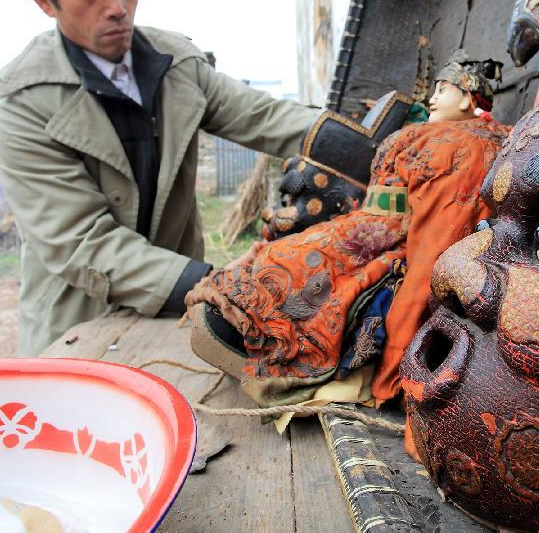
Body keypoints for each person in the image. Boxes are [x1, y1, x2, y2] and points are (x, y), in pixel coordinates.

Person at [0, 0, 319, 355]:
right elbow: (82, 241)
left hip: (181, 312)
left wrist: (371, 139)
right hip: (80, 326)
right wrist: (216, 283)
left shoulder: (175, 62)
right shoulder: (24, 98)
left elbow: (265, 116)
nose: (117, 6)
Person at [186, 50, 509, 405]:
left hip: (394, 241)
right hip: (369, 225)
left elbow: (439, 235)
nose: (432, 98)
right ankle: (252, 317)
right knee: (288, 248)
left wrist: (395, 368)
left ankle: (272, 339)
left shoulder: (465, 146)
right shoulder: (442, 137)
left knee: (304, 262)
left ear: (467, 96)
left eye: (443, 90)